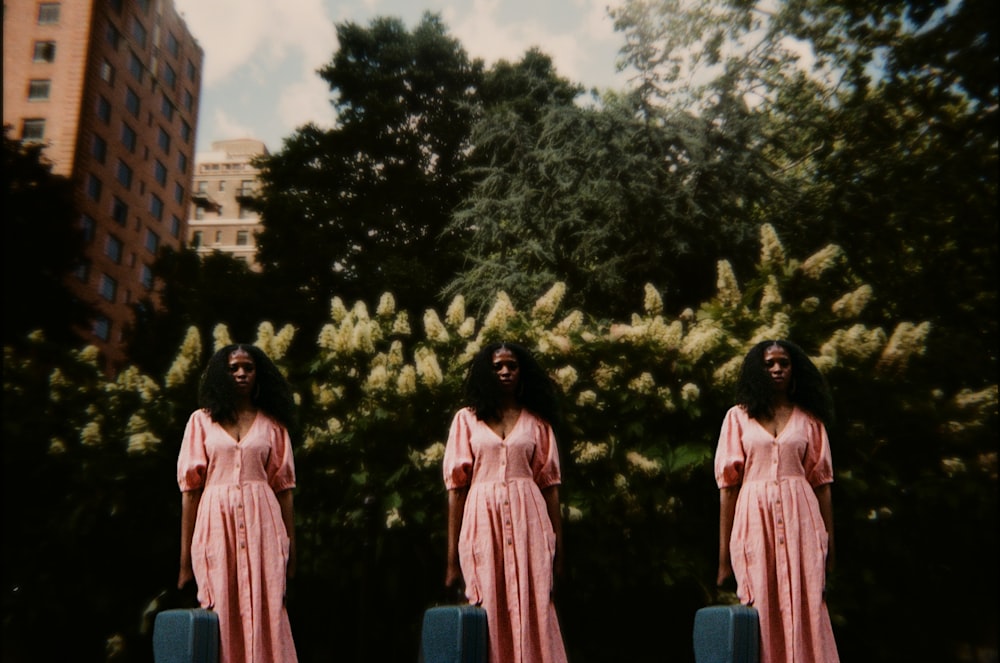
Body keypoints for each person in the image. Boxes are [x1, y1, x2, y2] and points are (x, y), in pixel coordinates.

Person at [715, 339, 840, 663]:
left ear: (793, 369)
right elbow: (728, 488)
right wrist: (723, 557)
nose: (776, 369)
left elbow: (822, 485)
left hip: (802, 521)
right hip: (754, 522)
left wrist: (829, 546)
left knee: (807, 602)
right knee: (761, 604)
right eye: (769, 363)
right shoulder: (737, 419)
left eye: (783, 363)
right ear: (758, 370)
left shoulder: (809, 420)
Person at [443, 342, 569, 663]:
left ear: (521, 371)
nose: (505, 371)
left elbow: (550, 488)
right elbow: (457, 490)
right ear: (486, 372)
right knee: (488, 603)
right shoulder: (466, 421)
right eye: (498, 365)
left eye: (511, 365)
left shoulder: (536, 423)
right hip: (482, 524)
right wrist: (451, 561)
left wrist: (558, 551)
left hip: (530, 524)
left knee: (534, 602)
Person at [177, 343, 299, 663]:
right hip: (216, 526)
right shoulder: (200, 422)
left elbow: (285, 490)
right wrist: (184, 562)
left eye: (248, 367)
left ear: (259, 375)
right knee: (220, 607)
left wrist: (291, 550)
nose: (241, 373)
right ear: (222, 374)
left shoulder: (273, 425)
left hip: (264, 527)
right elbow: (190, 492)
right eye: (233, 368)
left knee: (267, 608)